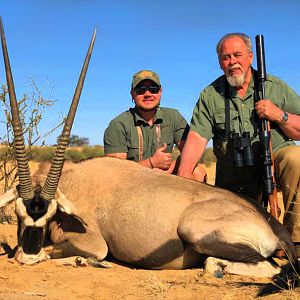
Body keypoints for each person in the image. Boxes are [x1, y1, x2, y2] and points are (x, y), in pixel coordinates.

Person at [178, 33, 300, 254]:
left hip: (272, 163)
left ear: (251, 57)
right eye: (226, 57)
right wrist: (183, 175)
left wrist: (279, 115)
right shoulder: (209, 95)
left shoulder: (275, 87)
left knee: (296, 158)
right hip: (234, 175)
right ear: (219, 63)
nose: (232, 61)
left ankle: (296, 243)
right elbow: (197, 138)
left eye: (238, 55)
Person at [104, 69, 206, 181]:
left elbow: (191, 152)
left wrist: (169, 170)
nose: (147, 94)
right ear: (132, 94)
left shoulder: (174, 116)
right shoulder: (118, 124)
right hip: (132, 184)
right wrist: (151, 164)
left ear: (160, 92)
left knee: (197, 172)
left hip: (166, 179)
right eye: (141, 90)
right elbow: (115, 171)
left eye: (153, 89)